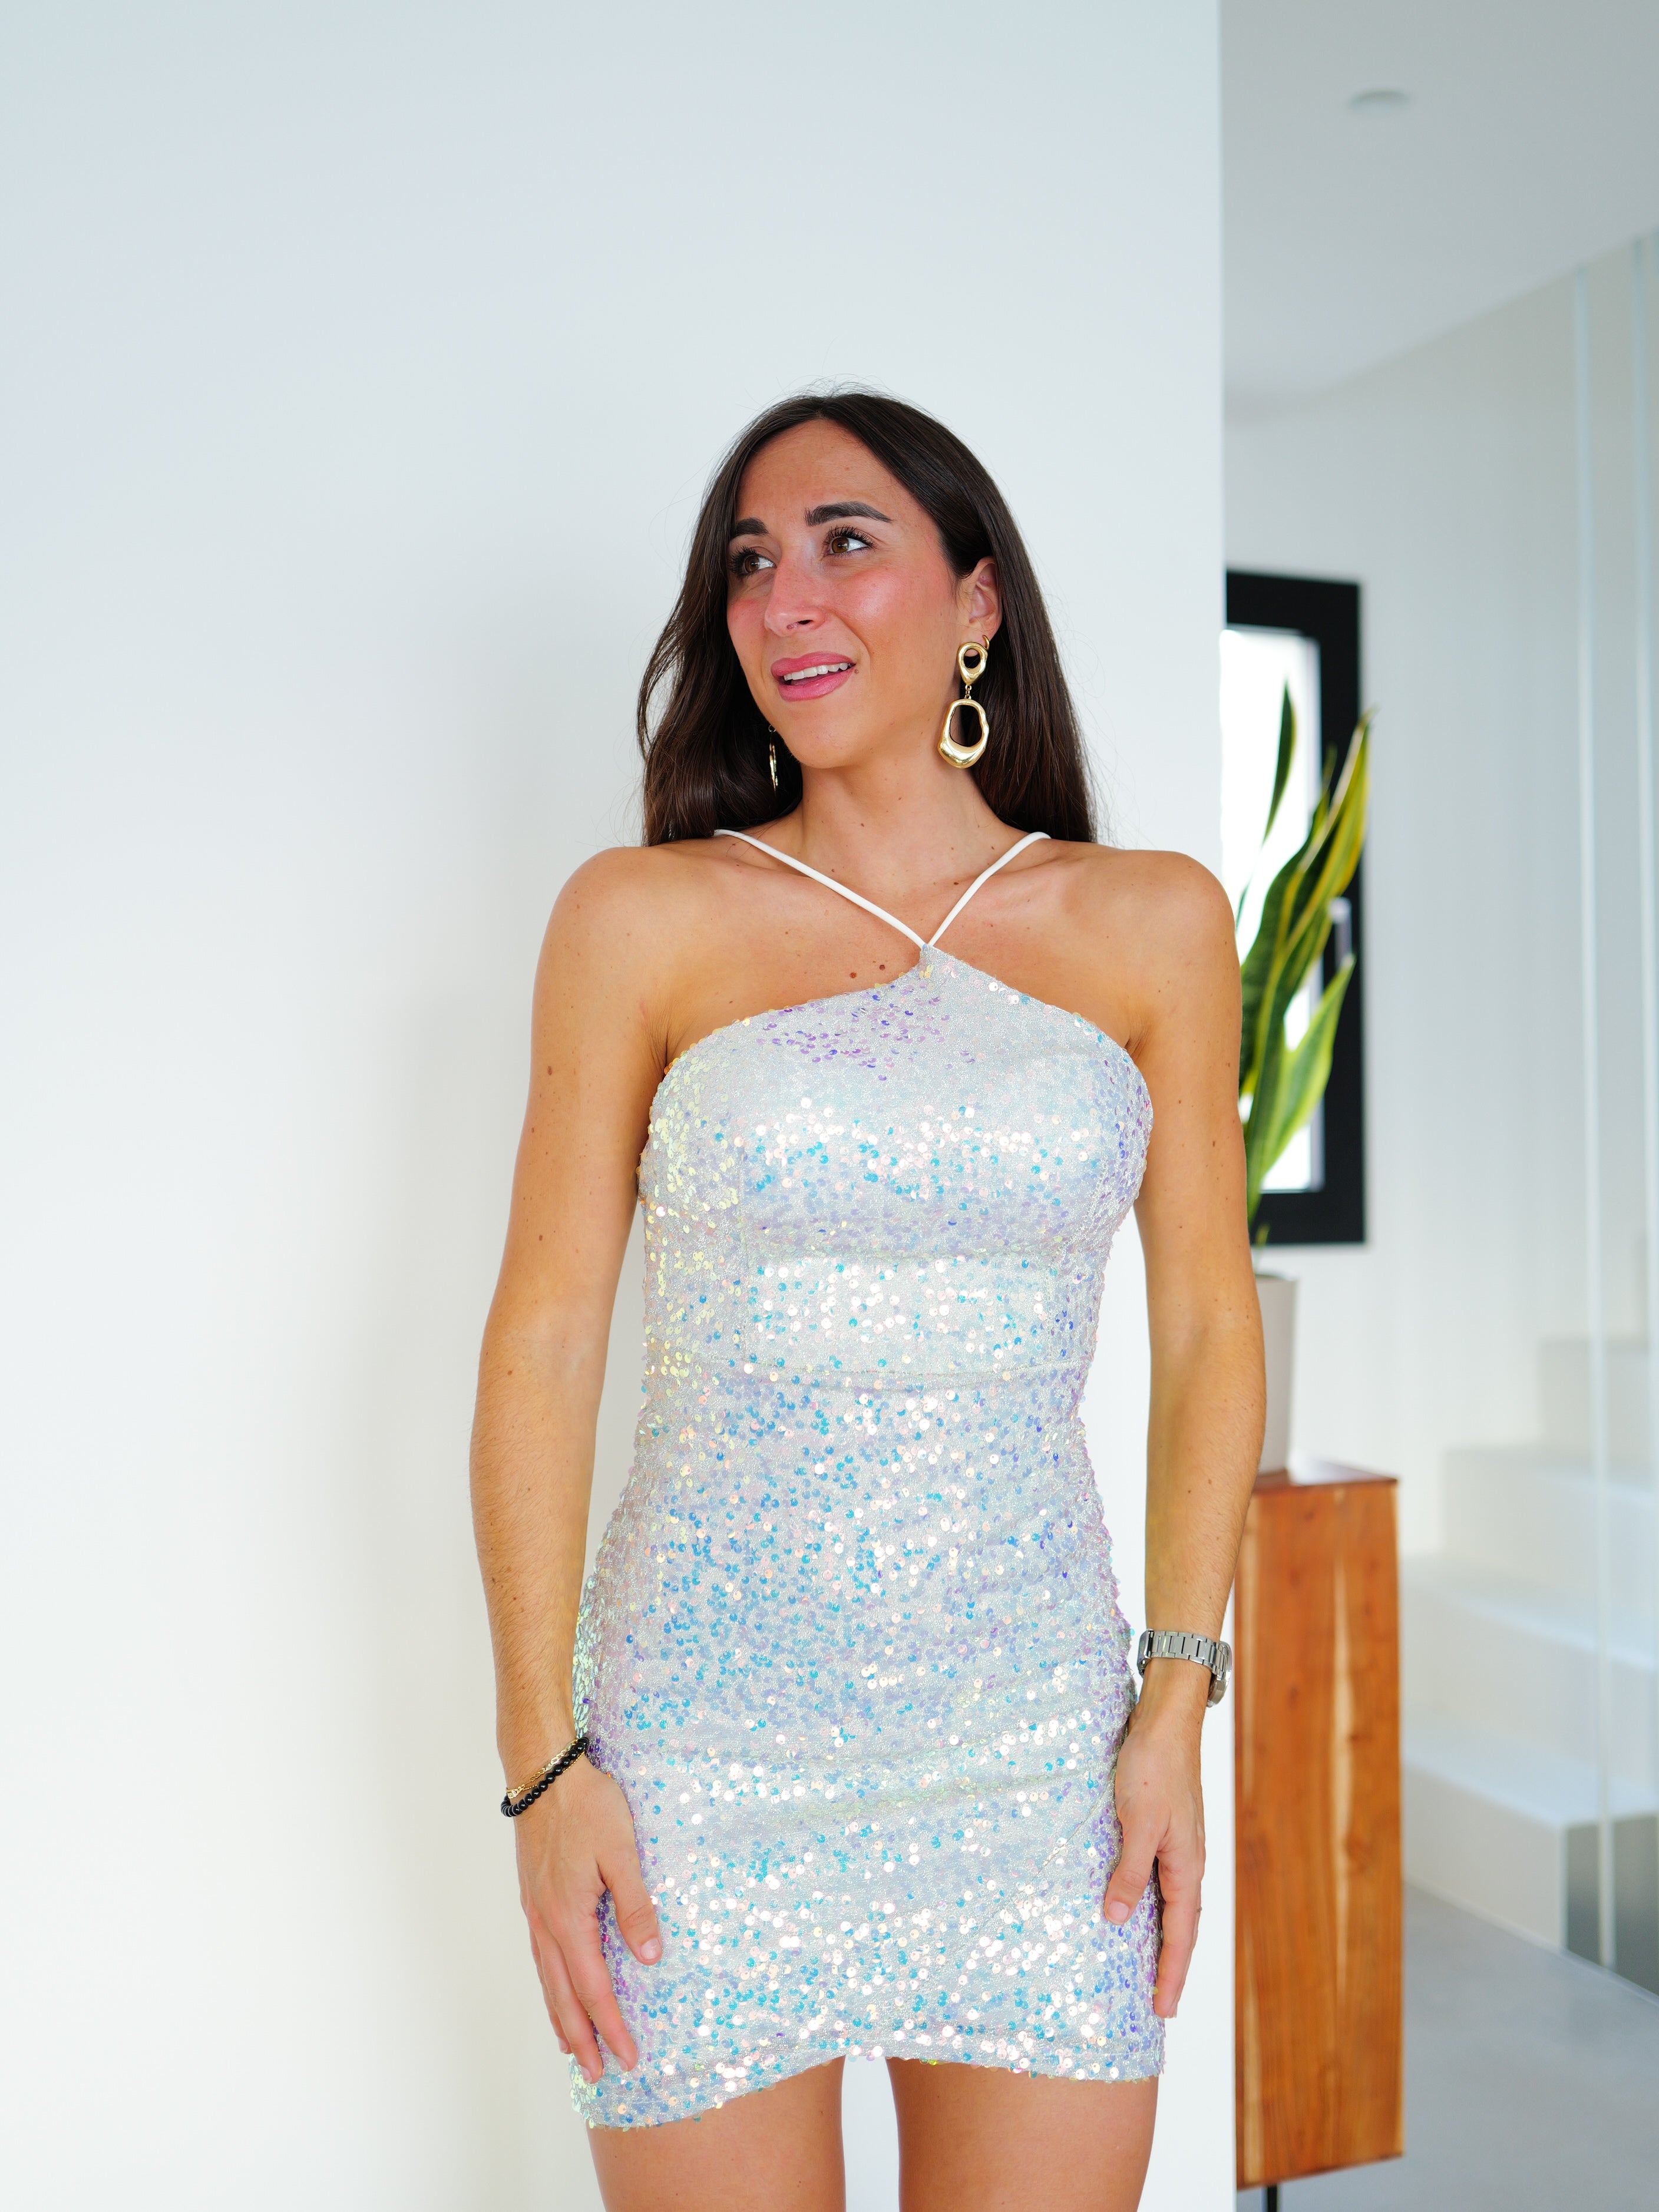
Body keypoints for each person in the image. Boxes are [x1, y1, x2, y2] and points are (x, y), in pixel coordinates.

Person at [470, 391, 1264, 2212]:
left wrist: (1176, 1704)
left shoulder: (1153, 923)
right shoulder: (637, 919)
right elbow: (545, 1343)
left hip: (1041, 1762)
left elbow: (1214, 1330)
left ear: (977, 602)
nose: (786, 598)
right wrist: (543, 1768)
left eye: (846, 541)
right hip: (697, 1766)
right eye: (750, 563)